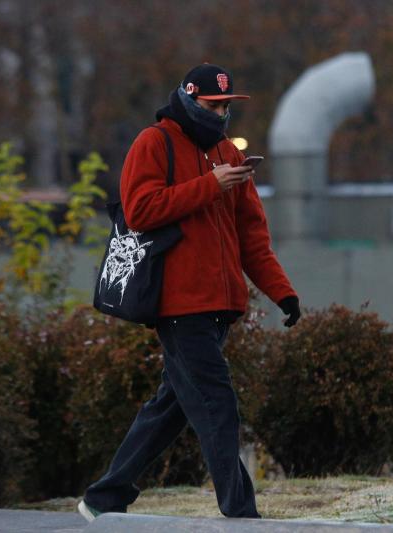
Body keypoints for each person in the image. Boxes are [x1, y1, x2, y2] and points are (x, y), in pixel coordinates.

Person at [78, 63, 301, 522]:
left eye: (226, 106)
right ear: (187, 98)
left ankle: (104, 497)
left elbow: (252, 237)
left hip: (219, 306)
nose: (220, 114)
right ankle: (241, 513)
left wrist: (283, 293)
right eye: (212, 105)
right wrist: (209, 185)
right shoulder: (153, 142)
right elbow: (139, 210)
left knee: (172, 407)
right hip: (178, 306)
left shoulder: (228, 154)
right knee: (217, 403)